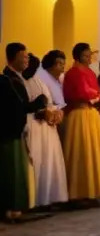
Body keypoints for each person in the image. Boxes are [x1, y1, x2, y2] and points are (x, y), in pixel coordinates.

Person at [61, 42, 100, 205]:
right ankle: (79, 194)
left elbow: (99, 92)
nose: (88, 58)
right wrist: (97, 95)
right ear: (78, 56)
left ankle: (94, 191)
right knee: (82, 153)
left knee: (94, 153)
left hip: (92, 114)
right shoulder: (73, 73)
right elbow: (82, 92)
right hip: (80, 115)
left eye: (89, 55)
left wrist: (98, 96)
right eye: (85, 55)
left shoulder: (91, 73)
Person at [1, 44, 48, 220]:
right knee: (11, 172)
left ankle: (16, 208)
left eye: (28, 56)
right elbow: (17, 107)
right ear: (13, 58)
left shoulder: (15, 79)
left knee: (17, 172)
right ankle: (10, 210)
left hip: (15, 132)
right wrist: (37, 104)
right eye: (23, 56)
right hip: (8, 133)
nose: (27, 60)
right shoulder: (7, 80)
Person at [23, 53, 69, 209]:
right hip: (34, 127)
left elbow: (50, 102)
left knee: (49, 165)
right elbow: (24, 107)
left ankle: (48, 198)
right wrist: (42, 112)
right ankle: (36, 200)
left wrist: (56, 112)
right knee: (37, 164)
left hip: (47, 128)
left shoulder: (39, 81)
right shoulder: (19, 82)